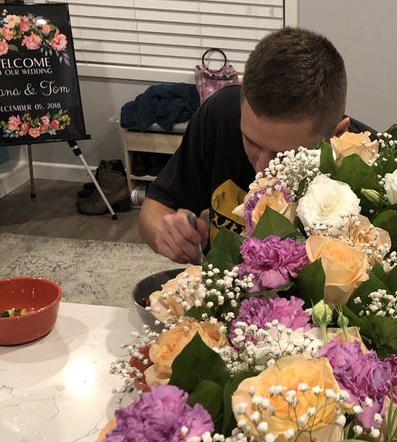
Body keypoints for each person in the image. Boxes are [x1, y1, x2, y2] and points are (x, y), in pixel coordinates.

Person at [139, 27, 367, 264]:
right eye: (250, 142)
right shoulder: (221, 115)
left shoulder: (368, 166)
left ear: (337, 135)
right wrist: (168, 233)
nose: (262, 170)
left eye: (283, 156)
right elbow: (156, 206)